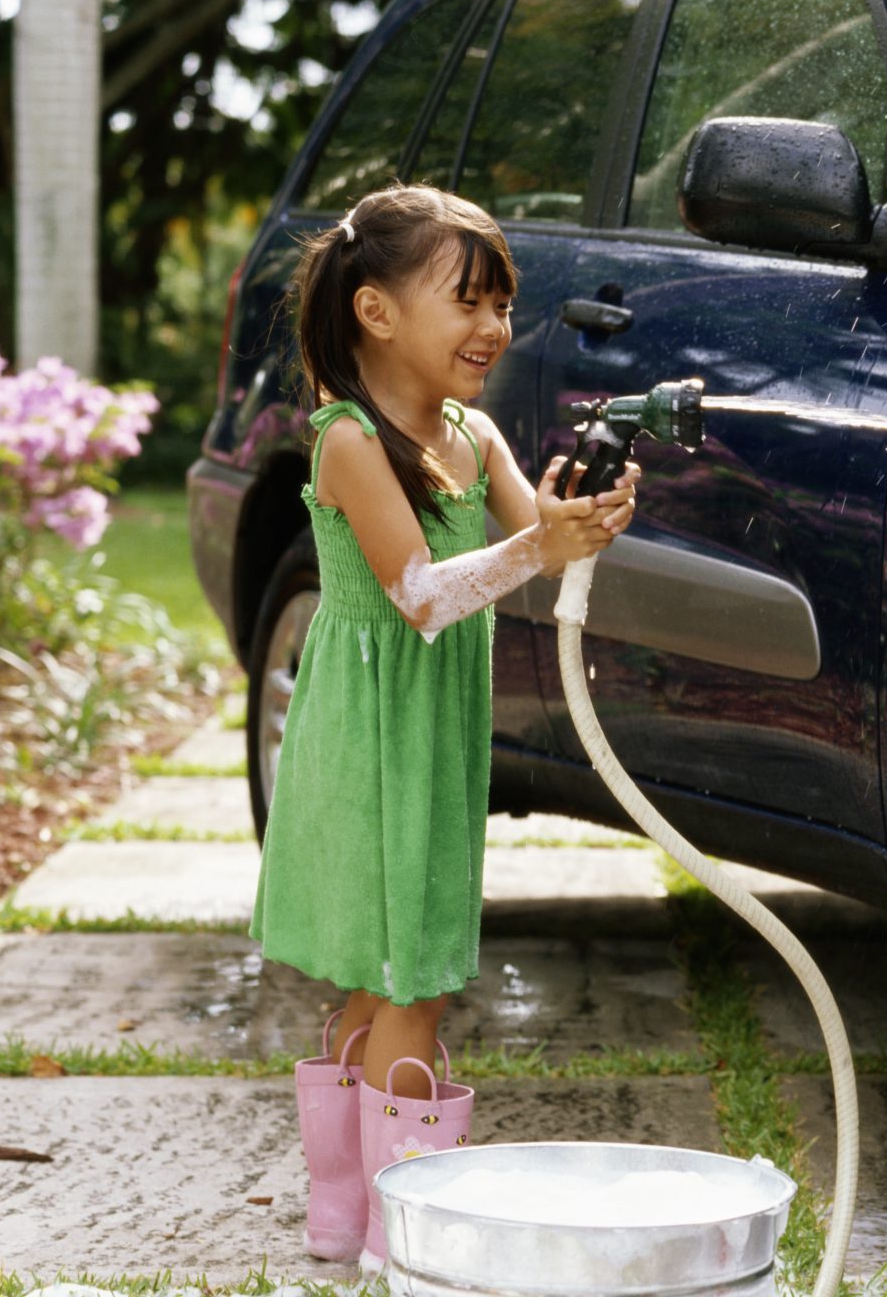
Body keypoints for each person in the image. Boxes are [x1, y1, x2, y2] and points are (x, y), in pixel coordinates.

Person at [248, 182, 637, 1267]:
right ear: (376, 313)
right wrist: (538, 551)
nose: (496, 328)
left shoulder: (475, 435)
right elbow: (420, 594)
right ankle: (395, 1241)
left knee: (390, 968)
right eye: (469, 301)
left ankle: (343, 1219)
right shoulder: (347, 445)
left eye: (503, 304)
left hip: (432, 733)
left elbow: (537, 537)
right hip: (372, 736)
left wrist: (585, 522)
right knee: (415, 973)